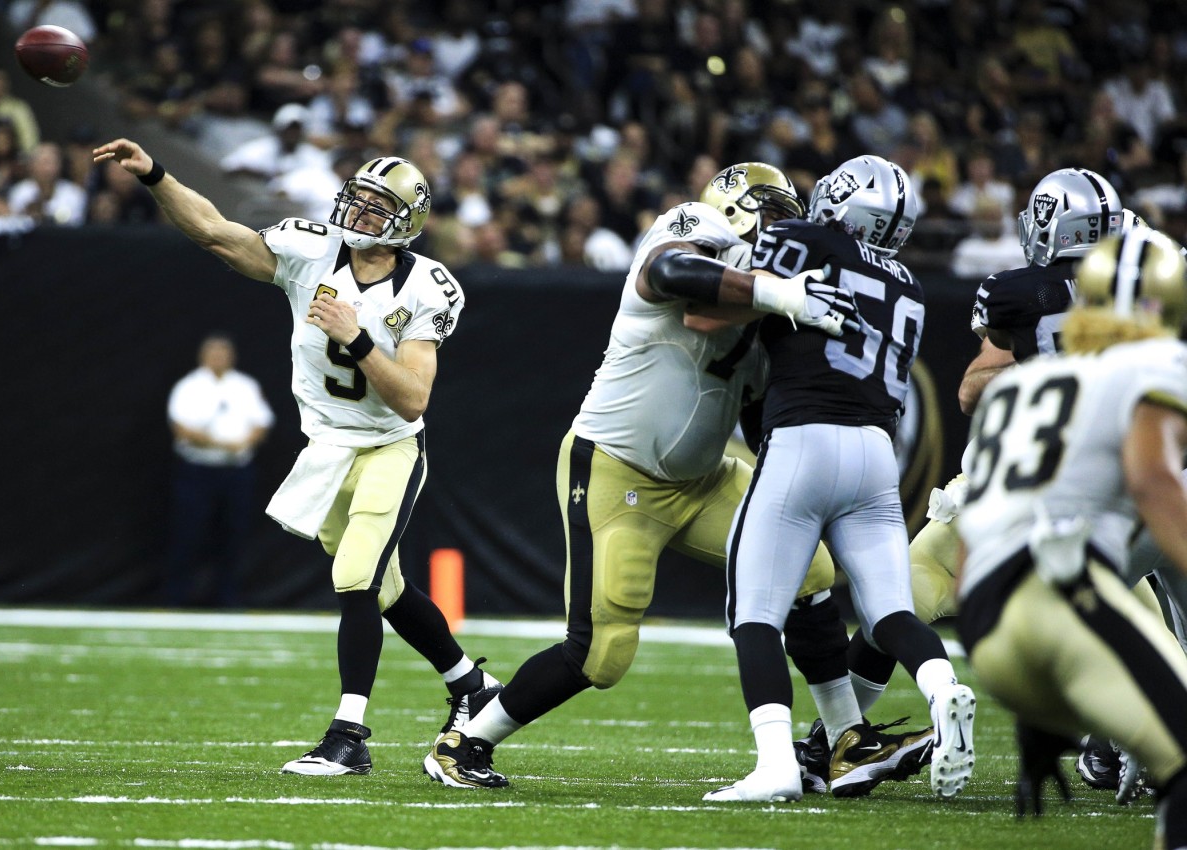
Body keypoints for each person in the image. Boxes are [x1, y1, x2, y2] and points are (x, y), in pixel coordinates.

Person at [423, 162, 928, 797]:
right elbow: (670, 273)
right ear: (735, 207)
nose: (783, 229)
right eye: (770, 211)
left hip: (705, 477)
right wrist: (784, 295)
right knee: (601, 654)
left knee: (812, 574)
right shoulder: (697, 231)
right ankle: (466, 740)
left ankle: (847, 741)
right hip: (616, 470)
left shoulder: (769, 309)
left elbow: (761, 418)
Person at [91, 137, 501, 775]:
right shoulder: (311, 252)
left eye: (375, 206)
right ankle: (472, 687)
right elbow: (215, 232)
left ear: (407, 221)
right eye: (357, 198)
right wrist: (155, 175)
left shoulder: (426, 286)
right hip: (327, 446)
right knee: (388, 591)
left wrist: (355, 335)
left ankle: (349, 735)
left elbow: (413, 400)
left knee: (357, 579)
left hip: (389, 447)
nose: (358, 212)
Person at [721, 154, 977, 802]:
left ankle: (776, 764)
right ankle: (945, 690)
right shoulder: (911, 285)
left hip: (803, 438)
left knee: (754, 611)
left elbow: (734, 298)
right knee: (889, 611)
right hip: (875, 455)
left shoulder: (800, 239)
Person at [956, 226, 1187, 844]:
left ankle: (1108, 731)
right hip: (1061, 593)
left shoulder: (1024, 384)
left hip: (986, 622)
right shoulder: (1152, 362)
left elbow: (973, 531)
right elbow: (1154, 483)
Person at [165, 333, 273, 608]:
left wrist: (244, 442)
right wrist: (221, 444)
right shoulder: (189, 387)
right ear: (203, 356)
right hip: (198, 471)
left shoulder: (245, 386)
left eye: (223, 353)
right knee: (189, 533)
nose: (219, 358)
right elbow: (181, 428)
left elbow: (261, 422)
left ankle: (227, 598)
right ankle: (179, 597)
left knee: (233, 535)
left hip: (236, 473)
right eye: (213, 353)